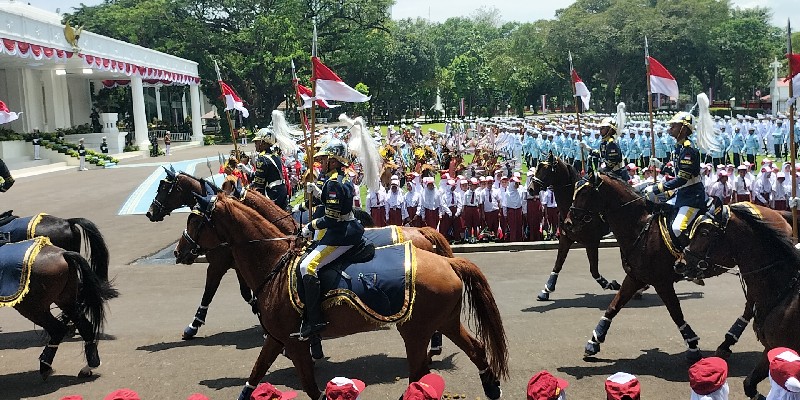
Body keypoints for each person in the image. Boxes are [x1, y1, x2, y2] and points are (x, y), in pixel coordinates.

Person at [294, 139, 365, 340]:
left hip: (341, 234)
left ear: (334, 161)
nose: (321, 163)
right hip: (342, 228)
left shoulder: (333, 183)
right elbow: (333, 204)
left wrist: (310, 226)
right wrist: (318, 193)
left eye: (324, 159)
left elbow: (332, 218)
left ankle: (315, 320)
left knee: (306, 267)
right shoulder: (336, 180)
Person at [643, 112, 705, 247]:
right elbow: (676, 171)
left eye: (674, 126)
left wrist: (657, 188)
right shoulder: (679, 148)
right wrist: (661, 166)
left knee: (678, 228)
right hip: (682, 194)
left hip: (692, 196)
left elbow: (682, 179)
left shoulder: (688, 150)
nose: (670, 128)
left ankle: (688, 257)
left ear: (683, 128)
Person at [249, 128, 289, 210]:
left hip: (271, 195)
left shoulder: (262, 159)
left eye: (256, 142)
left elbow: (258, 184)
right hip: (281, 192)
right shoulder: (275, 155)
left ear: (263, 143)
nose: (255, 144)